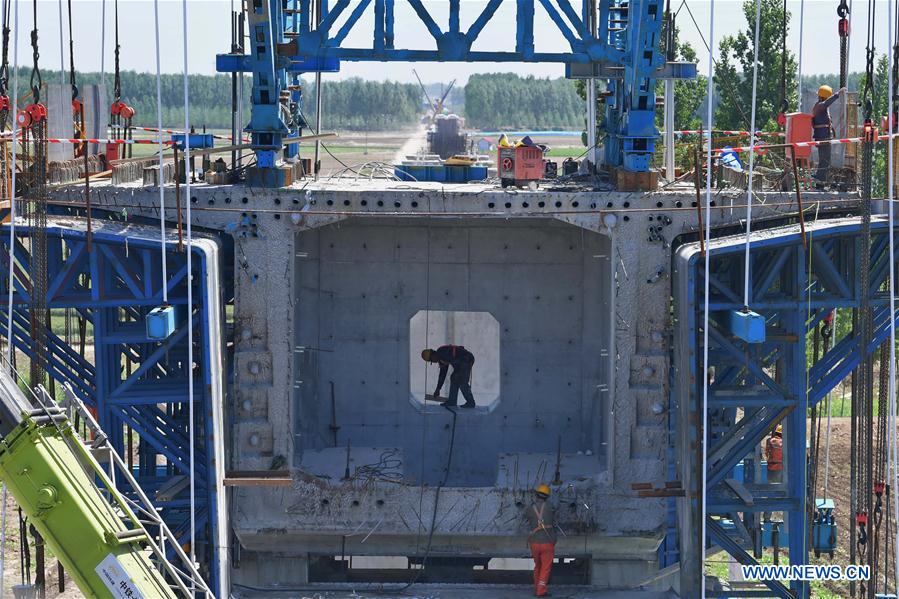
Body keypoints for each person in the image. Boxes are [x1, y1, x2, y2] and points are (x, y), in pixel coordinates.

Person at [525, 484, 557, 597]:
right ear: (547, 496)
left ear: (537, 495)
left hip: (534, 543)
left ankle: (537, 588)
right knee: (545, 568)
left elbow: (526, 516)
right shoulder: (550, 506)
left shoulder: (530, 508)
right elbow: (554, 517)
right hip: (547, 542)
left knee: (537, 566)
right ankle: (541, 591)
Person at [812, 85, 847, 186]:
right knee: (825, 159)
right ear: (825, 96)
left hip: (823, 136)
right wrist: (837, 95)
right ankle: (820, 179)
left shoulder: (819, 106)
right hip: (823, 137)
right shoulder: (820, 105)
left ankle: (821, 181)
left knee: (825, 159)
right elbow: (826, 103)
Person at [764, 424, 783, 522]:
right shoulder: (783, 443)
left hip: (769, 470)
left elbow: (766, 453)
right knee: (786, 493)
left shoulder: (769, 441)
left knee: (771, 494)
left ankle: (767, 517)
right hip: (779, 470)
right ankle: (785, 517)